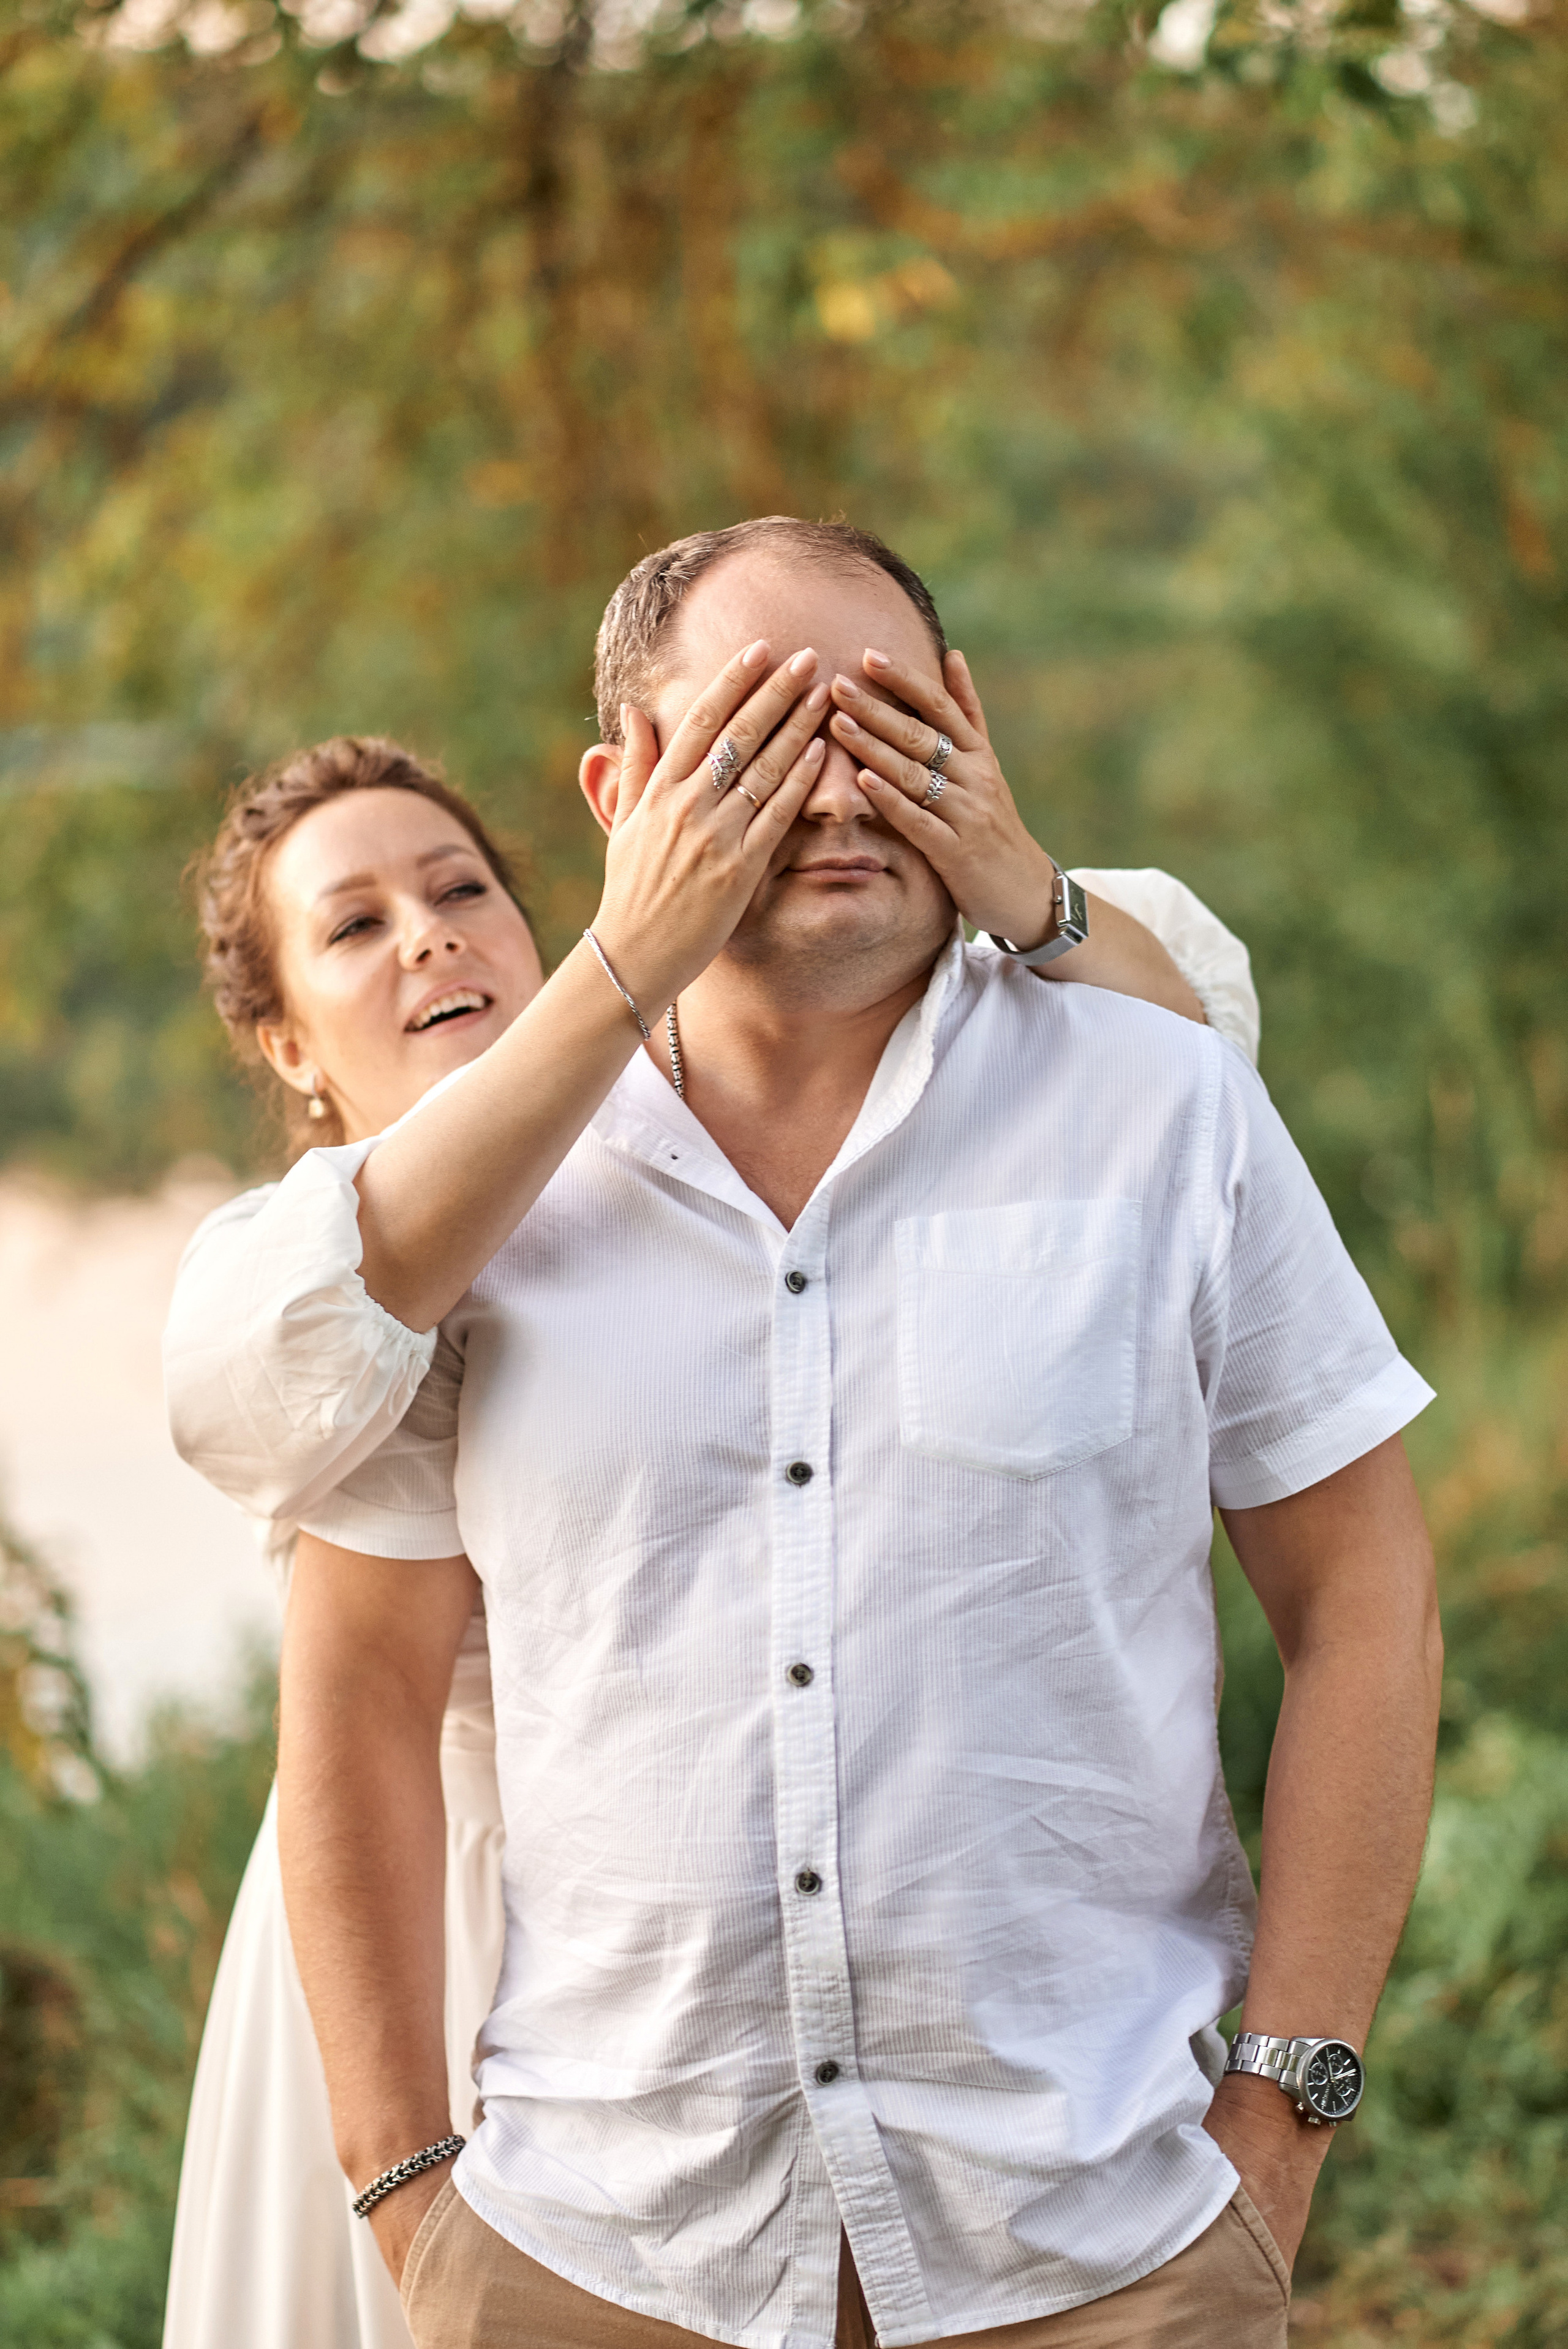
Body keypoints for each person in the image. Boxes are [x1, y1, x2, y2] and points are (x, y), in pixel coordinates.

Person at [265, 517, 1442, 2348]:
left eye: (884, 720)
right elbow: (351, 1695)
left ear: (967, 720)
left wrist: (1280, 2126)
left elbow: (1366, 1593)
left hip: (1109, 2247)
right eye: (760, 738)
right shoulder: (478, 1186)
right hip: (597, 2256)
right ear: (619, 786)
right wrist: (413, 2194)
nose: (838, 794)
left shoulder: (1162, 1105)